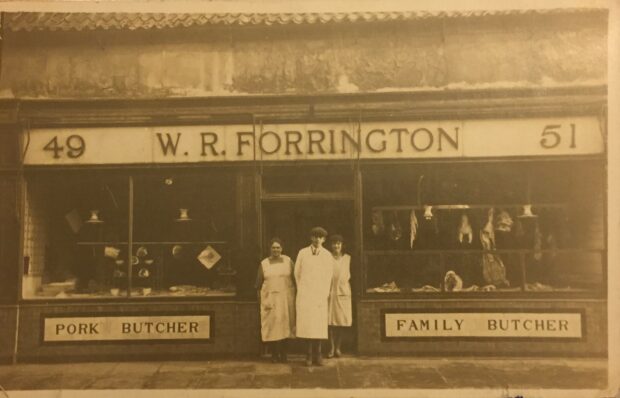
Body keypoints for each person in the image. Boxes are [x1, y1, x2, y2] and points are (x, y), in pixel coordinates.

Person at [294, 226, 334, 366]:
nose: (317, 239)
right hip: (305, 295)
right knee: (307, 326)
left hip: (319, 297)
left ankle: (318, 354)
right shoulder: (302, 253)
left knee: (319, 327)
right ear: (311, 238)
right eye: (315, 236)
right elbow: (297, 273)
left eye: (320, 237)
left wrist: (323, 293)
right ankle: (308, 355)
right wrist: (303, 289)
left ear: (323, 239)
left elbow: (329, 276)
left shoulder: (327, 255)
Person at [255, 238, 296, 363]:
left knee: (285, 325)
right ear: (270, 249)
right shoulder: (264, 263)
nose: (276, 250)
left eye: (278, 247)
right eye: (273, 247)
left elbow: (296, 279)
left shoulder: (288, 261)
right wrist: (261, 300)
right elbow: (258, 284)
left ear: (282, 248)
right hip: (270, 299)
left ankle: (284, 354)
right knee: (273, 326)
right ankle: (274, 354)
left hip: (286, 298)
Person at [327, 234, 352, 358]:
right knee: (330, 322)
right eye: (334, 243)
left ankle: (338, 347)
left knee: (342, 321)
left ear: (342, 245)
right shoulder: (327, 258)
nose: (336, 246)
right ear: (331, 245)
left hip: (343, 292)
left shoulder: (347, 258)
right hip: (330, 292)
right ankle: (331, 347)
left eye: (338, 243)